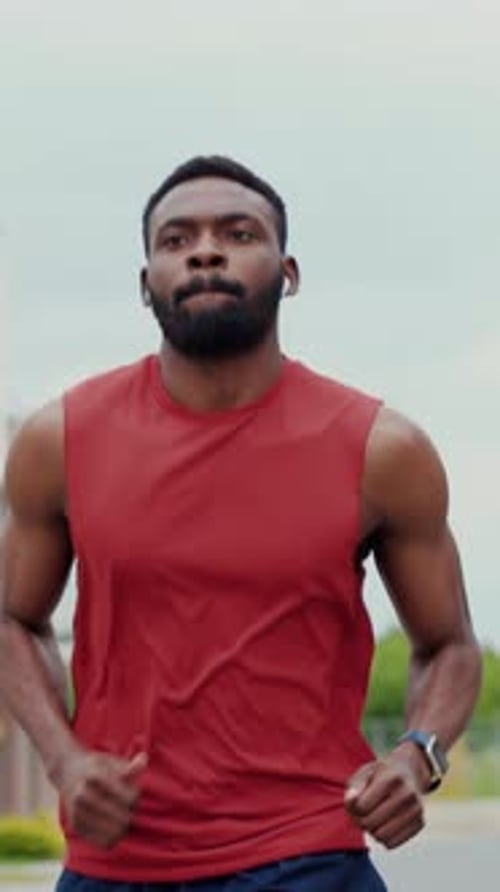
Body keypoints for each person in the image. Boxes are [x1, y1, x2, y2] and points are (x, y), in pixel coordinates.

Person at [0, 156, 481, 892]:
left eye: (237, 231)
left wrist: (418, 757)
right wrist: (64, 759)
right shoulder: (59, 441)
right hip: (118, 863)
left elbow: (448, 645)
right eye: (175, 239)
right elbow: (13, 620)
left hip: (310, 855)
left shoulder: (383, 451)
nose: (204, 249)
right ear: (145, 284)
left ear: (287, 272)